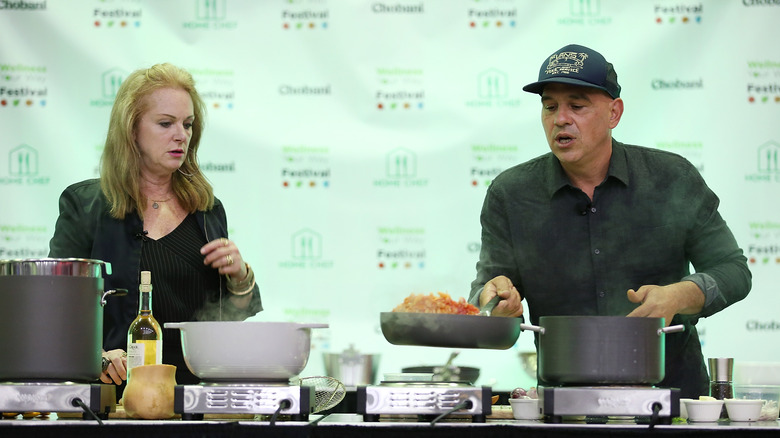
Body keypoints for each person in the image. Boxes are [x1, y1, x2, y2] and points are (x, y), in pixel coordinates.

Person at [468, 44, 751, 398]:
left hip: (672, 400)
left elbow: (734, 271)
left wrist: (678, 295)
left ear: (614, 113)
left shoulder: (671, 178)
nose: (560, 119)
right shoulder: (511, 193)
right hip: (564, 404)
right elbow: (486, 292)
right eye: (550, 106)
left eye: (577, 105)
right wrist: (496, 304)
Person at [48, 63, 262, 395]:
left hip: (191, 400)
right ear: (131, 129)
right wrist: (98, 357)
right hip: (108, 402)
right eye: (165, 123)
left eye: (188, 124)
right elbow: (56, 309)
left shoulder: (207, 209)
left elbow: (225, 322)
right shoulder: (85, 204)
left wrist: (239, 278)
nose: (181, 135)